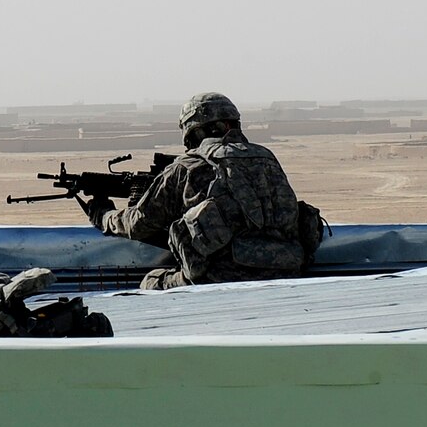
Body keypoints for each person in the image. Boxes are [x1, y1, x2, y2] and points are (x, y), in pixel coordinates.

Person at [82, 91, 311, 291]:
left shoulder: (186, 167)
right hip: (287, 273)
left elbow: (138, 223)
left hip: (218, 280)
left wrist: (104, 215)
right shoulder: (266, 158)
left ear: (194, 131)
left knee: (150, 282)